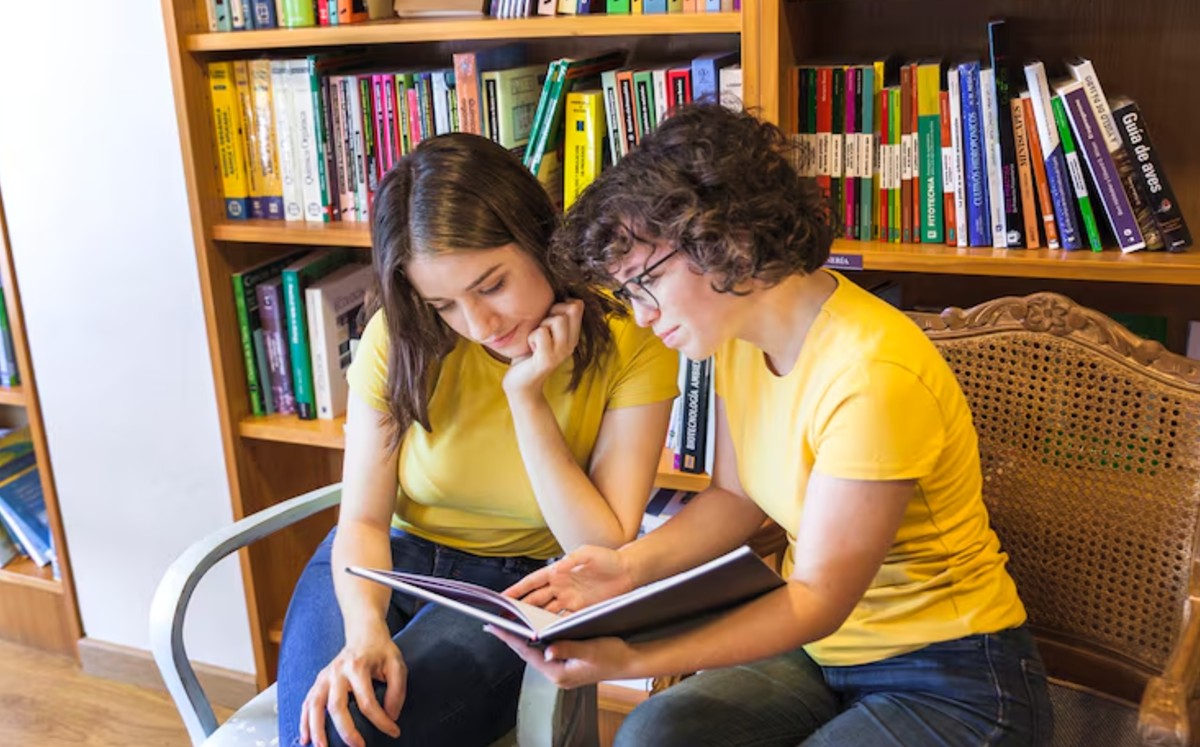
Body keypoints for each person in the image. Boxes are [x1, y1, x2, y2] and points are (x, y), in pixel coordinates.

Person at [492, 104, 1053, 746]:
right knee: (656, 735)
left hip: (951, 673)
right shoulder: (737, 335)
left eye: (646, 282)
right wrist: (627, 569)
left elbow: (816, 598)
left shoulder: (871, 374)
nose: (641, 317)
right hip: (825, 656)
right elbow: (735, 499)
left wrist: (631, 660)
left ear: (727, 240)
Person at [276, 133, 680, 747]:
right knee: (320, 725)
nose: (480, 325)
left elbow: (598, 546)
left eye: (491, 285)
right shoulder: (401, 336)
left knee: (349, 735)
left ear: (539, 238)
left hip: (519, 584)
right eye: (445, 304)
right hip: (384, 561)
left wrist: (527, 398)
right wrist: (364, 630)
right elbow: (360, 519)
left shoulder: (633, 339)